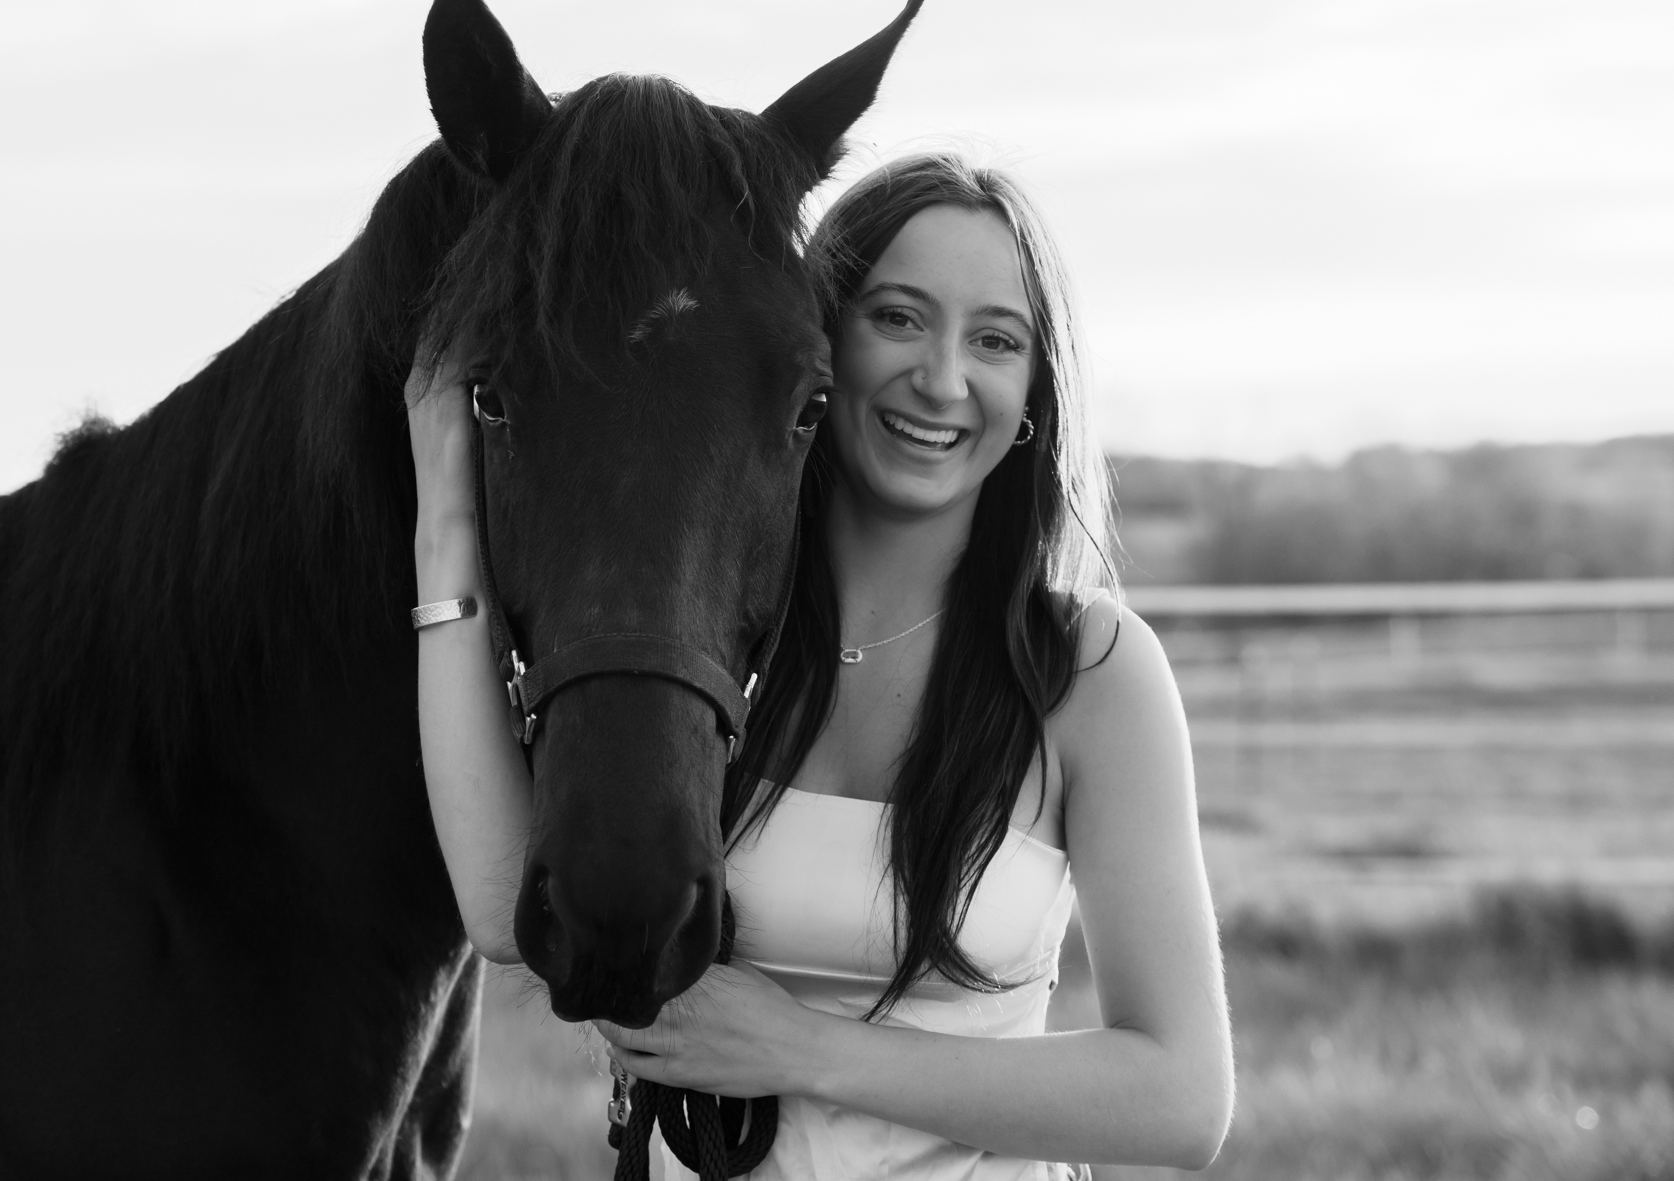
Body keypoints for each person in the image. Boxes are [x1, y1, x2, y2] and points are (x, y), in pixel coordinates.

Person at [407, 152, 1233, 1179]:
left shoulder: (1086, 673)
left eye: (993, 340)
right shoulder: (709, 648)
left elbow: (1179, 1098)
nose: (940, 377)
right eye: (896, 317)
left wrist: (805, 1052)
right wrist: (444, 518)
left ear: (1029, 394)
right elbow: (499, 910)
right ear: (818, 340)